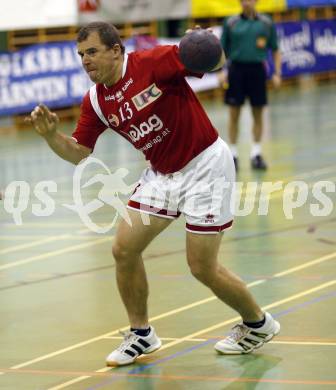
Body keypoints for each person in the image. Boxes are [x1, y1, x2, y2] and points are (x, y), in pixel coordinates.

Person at [26, 22, 280, 367]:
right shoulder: (97, 101)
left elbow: (213, 61)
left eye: (92, 52)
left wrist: (203, 44)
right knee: (124, 249)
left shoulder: (153, 63)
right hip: (162, 176)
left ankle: (258, 323)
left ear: (116, 50)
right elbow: (78, 152)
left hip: (205, 166)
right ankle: (141, 333)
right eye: (81, 55)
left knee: (202, 267)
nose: (85, 61)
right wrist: (50, 136)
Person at [219, 0, 282, 171]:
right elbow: (222, 50)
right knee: (234, 114)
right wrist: (222, 70)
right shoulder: (231, 22)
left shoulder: (266, 23)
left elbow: (275, 49)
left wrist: (277, 72)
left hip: (257, 71)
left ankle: (256, 154)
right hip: (236, 71)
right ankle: (233, 155)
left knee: (258, 112)